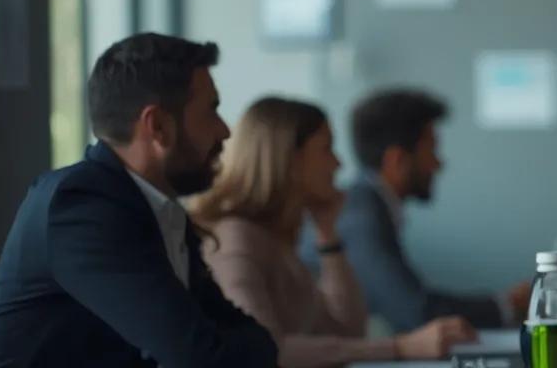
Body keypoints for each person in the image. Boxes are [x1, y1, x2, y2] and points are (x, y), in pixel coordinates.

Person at [0, 33, 278, 366]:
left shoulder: (161, 211)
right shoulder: (80, 207)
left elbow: (243, 336)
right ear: (157, 126)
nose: (225, 130)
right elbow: (200, 357)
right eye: (211, 110)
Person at [193, 97, 477, 366]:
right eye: (327, 149)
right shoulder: (236, 238)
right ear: (289, 160)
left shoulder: (277, 239)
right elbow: (265, 347)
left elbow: (349, 330)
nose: (338, 164)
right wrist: (399, 347)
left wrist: (328, 235)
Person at [301, 88, 522, 333]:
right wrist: (507, 304)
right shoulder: (363, 216)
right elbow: (415, 311)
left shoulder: (370, 205)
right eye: (431, 150)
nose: (439, 164)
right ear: (397, 160)